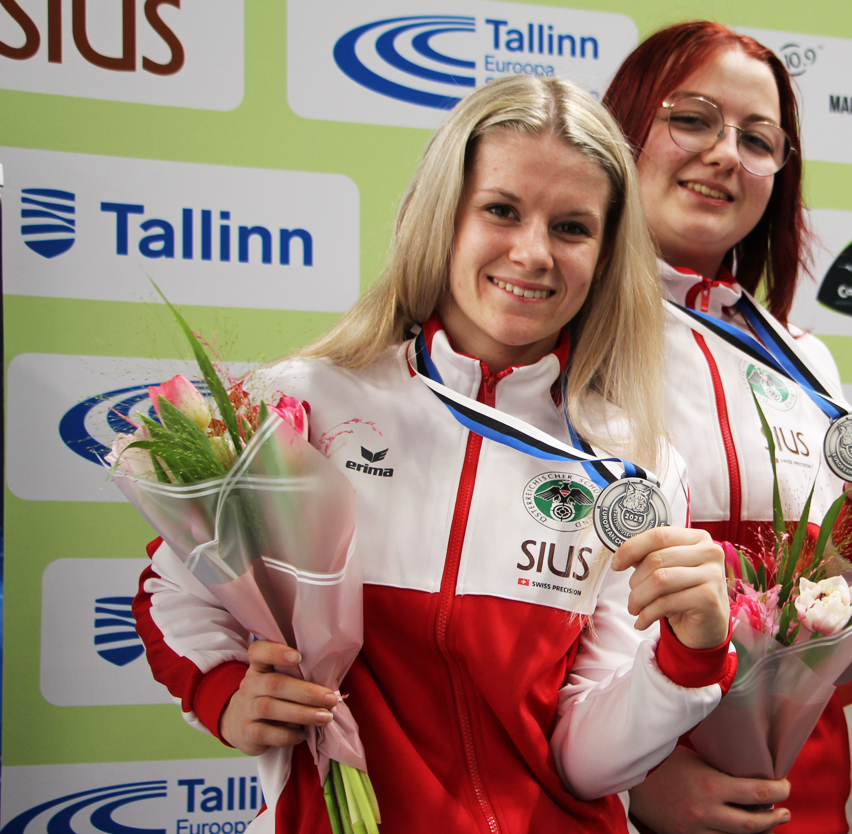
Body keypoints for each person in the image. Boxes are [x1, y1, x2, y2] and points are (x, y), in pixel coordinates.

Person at [132, 76, 737, 834]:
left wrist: (689, 658)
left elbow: (586, 763)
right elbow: (173, 591)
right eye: (502, 210)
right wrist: (224, 693)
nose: (534, 253)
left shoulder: (635, 467)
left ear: (607, 251)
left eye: (573, 228)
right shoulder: (305, 406)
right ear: (442, 215)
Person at [602, 21, 852, 834]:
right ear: (623, 129)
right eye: (692, 118)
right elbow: (512, 612)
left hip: (796, 795)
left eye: (758, 139)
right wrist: (631, 784)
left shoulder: (805, 363)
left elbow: (822, 630)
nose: (726, 153)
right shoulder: (554, 335)